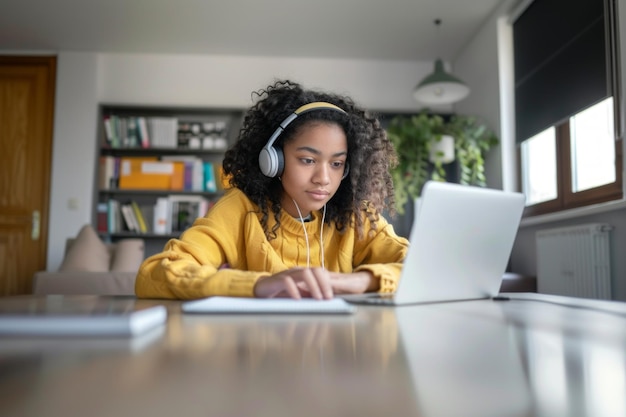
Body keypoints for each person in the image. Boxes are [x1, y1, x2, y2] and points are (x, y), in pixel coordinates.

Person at [135, 80, 409, 300]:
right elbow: (154, 274)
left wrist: (362, 280)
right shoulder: (240, 210)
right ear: (273, 160)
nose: (324, 178)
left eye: (337, 163)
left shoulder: (355, 217)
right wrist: (258, 284)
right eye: (308, 160)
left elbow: (423, 268)